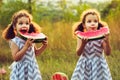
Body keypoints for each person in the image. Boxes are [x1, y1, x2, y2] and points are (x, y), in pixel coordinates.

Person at [2, 10, 48, 80]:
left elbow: (36, 53)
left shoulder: (30, 39)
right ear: (14, 26)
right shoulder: (15, 41)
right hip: (21, 69)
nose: (24, 25)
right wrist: (26, 47)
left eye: (27, 23)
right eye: (20, 23)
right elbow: (16, 58)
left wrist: (44, 46)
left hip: (32, 68)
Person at [71, 9, 112, 80]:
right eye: (89, 21)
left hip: (99, 65)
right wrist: (83, 44)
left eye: (95, 21)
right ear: (84, 25)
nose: (92, 23)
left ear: (98, 23)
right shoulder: (81, 37)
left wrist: (107, 41)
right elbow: (78, 53)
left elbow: (108, 53)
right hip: (84, 64)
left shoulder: (102, 37)